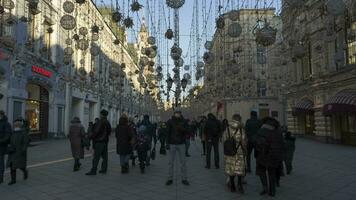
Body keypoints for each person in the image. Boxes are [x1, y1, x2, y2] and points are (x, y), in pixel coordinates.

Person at [255, 117, 284, 197]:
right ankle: (272, 191)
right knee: (272, 173)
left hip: (263, 155)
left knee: (261, 171)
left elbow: (257, 143)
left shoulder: (261, 130)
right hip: (274, 156)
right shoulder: (278, 132)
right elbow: (282, 144)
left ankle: (265, 187)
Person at [223, 114, 247, 193]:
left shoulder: (227, 129)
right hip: (239, 151)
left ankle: (232, 186)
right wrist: (245, 150)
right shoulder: (241, 129)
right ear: (239, 120)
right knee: (239, 169)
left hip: (230, 152)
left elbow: (224, 140)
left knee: (231, 168)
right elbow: (243, 142)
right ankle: (239, 185)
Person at [166, 111, 189, 186]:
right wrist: (167, 143)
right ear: (174, 113)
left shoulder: (184, 121)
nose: (177, 114)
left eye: (179, 113)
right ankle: (170, 178)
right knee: (170, 163)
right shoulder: (170, 121)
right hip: (172, 143)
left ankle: (184, 179)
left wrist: (182, 129)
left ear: (180, 113)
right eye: (176, 113)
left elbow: (188, 131)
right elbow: (168, 133)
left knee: (183, 162)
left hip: (181, 143)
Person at [86, 110, 112, 175]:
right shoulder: (107, 122)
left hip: (99, 141)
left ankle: (93, 170)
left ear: (102, 114)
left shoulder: (100, 122)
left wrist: (90, 136)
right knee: (105, 157)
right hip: (105, 141)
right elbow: (109, 131)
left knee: (96, 157)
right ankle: (104, 169)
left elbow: (96, 132)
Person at [7, 118, 29, 185]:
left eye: (17, 126)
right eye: (15, 126)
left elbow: (25, 142)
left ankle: (25, 171)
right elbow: (10, 140)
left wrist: (24, 149)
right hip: (13, 152)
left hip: (20, 152)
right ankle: (13, 180)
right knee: (12, 166)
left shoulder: (23, 132)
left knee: (20, 166)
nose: (15, 127)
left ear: (19, 126)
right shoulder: (12, 132)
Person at [0, 110, 11, 184]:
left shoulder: (6, 124)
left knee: (0, 162)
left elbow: (7, 136)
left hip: (2, 146)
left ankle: (0, 178)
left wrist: (0, 141)